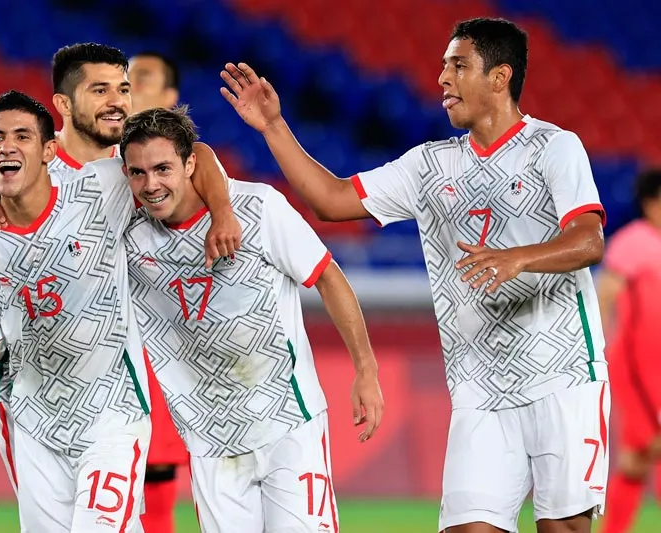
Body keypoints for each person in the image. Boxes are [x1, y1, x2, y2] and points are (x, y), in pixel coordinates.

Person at [223, 17, 610, 533]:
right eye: (443, 66)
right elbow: (331, 200)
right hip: (478, 390)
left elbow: (588, 239)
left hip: (563, 377)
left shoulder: (553, 147)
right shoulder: (428, 166)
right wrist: (273, 126)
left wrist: (517, 257)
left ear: (500, 77)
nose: (442, 79)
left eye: (458, 65)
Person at [0, 43, 241, 499]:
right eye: (101, 90)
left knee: (123, 506)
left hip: (112, 369)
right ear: (65, 105)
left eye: (124, 88)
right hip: (32, 382)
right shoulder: (14, 176)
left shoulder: (128, 164)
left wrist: (223, 211)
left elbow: (198, 154)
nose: (118, 101)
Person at [118, 106, 384, 532]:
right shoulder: (127, 236)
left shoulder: (258, 208)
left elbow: (328, 277)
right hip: (209, 441)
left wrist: (366, 370)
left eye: (163, 168)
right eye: (137, 173)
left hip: (287, 423)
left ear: (189, 164)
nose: (151, 185)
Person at [0, 90, 153, 533]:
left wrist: (221, 211)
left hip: (111, 410)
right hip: (35, 422)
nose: (6, 146)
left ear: (50, 149)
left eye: (22, 136)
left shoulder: (99, 189)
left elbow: (181, 156)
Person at [127, 50, 188, 533]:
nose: (128, 84)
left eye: (142, 78)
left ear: (170, 99)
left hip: (162, 329)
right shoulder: (96, 156)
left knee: (157, 468)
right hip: (100, 329)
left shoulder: (189, 166)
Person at [597, 169, 661, 533]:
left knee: (639, 459)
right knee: (643, 451)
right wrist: (603, 349)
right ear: (652, 202)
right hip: (638, 368)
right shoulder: (634, 242)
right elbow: (605, 293)